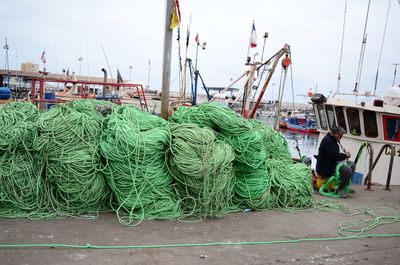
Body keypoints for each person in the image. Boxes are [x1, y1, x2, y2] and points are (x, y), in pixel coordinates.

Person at [315, 126, 355, 198]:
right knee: (347, 170)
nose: (341, 137)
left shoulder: (332, 139)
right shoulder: (328, 141)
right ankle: (340, 189)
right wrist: (346, 155)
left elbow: (335, 156)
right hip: (325, 168)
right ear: (335, 134)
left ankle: (345, 186)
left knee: (352, 165)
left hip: (331, 163)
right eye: (340, 135)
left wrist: (344, 155)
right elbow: (336, 157)